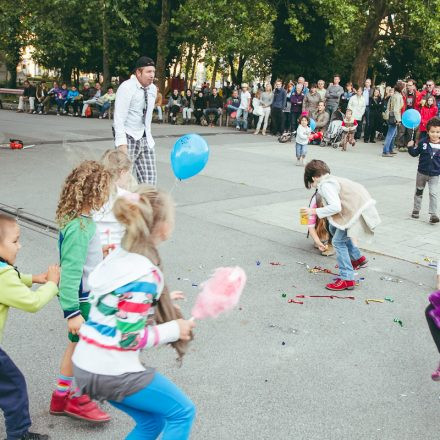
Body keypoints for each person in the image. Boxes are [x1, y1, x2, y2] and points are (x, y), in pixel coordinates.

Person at [72, 186, 196, 439]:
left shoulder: (121, 255)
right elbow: (130, 338)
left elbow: (117, 300)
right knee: (183, 412)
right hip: (111, 370)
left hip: (86, 365)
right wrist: (175, 329)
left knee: (151, 424)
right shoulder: (142, 275)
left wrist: (155, 301)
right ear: (162, 226)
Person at [49, 160, 112, 423]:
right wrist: (72, 312)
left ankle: (61, 396)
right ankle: (78, 398)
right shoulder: (81, 227)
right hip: (84, 302)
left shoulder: (81, 221)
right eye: (105, 189)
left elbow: (81, 260)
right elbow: (71, 271)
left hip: (84, 298)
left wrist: (100, 253)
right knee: (91, 352)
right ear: (95, 192)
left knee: (75, 348)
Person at [0, 214, 60, 440]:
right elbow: (32, 303)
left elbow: (11, 278)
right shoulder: (3, 275)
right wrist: (52, 284)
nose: (20, 246)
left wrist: (33, 278)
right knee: (14, 386)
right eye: (14, 241)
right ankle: (19, 434)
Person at [302, 160, 380, 291]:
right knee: (333, 228)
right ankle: (357, 258)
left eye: (312, 182)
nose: (314, 185)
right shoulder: (331, 179)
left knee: (338, 242)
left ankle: (347, 279)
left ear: (314, 177)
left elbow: (335, 206)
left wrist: (314, 211)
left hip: (356, 212)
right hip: (359, 208)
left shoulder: (325, 185)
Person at [114, 56, 158, 185]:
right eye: (148, 72)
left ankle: (144, 205)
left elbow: (147, 114)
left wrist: (148, 136)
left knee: (150, 184)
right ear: (138, 72)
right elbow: (119, 118)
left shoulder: (153, 89)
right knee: (123, 182)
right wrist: (122, 145)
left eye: (153, 72)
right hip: (128, 138)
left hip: (145, 138)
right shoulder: (126, 87)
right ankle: (119, 205)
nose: (152, 75)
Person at [93, 150, 133, 250]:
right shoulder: (128, 198)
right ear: (123, 172)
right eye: (129, 173)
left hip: (94, 252)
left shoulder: (92, 194)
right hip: (117, 254)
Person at [408, 117, 440, 223]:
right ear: (428, 131)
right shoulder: (423, 143)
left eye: (437, 132)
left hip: (435, 174)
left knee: (433, 193)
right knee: (419, 191)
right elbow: (414, 153)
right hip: (421, 172)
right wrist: (410, 147)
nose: (435, 134)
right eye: (432, 132)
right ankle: (416, 210)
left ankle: (434, 214)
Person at [305, 191, 335, 257]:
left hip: (336, 212)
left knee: (331, 223)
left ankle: (331, 244)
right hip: (320, 204)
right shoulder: (315, 200)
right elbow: (311, 225)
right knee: (318, 218)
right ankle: (321, 237)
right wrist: (318, 241)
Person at [397, 79, 420, 151]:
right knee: (402, 130)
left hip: (412, 115)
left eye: (410, 85)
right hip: (404, 113)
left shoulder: (418, 94)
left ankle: (407, 145)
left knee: (410, 131)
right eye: (407, 85)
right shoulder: (404, 93)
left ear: (414, 86)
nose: (408, 87)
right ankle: (400, 145)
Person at [382, 82, 404, 157]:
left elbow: (389, 106)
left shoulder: (393, 95)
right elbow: (396, 109)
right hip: (394, 116)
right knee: (390, 134)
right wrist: (398, 120)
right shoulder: (398, 96)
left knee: (393, 134)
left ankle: (390, 149)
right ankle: (385, 151)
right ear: (401, 88)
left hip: (389, 116)